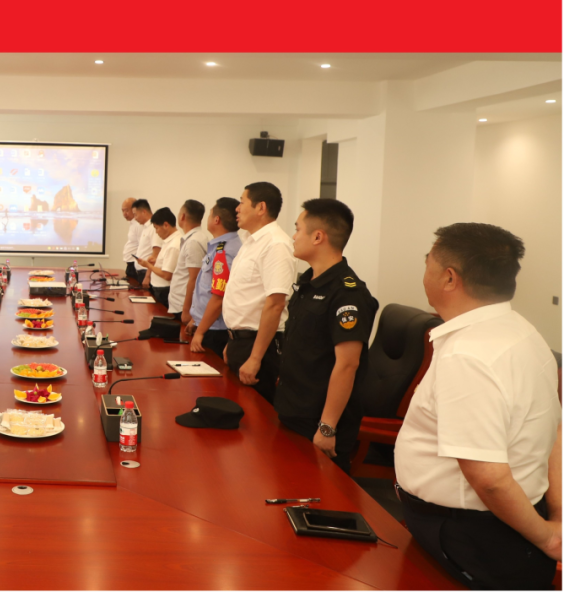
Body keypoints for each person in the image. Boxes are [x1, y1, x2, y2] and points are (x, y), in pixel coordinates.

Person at [395, 223, 561, 589]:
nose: (424, 270)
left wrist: (549, 537)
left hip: (473, 537)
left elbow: (490, 479)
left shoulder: (467, 355)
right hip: (508, 527)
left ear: (449, 278)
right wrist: (557, 514)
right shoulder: (525, 332)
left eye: (428, 261)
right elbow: (554, 430)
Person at [273, 199, 378, 474]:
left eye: (298, 229)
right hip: (292, 408)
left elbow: (348, 364)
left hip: (318, 420)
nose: (293, 236)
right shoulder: (308, 281)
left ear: (318, 236)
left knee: (321, 491)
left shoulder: (347, 293)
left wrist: (327, 427)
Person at [222, 181, 296, 404]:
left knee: (254, 416)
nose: (237, 208)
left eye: (242, 202)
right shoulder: (250, 242)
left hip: (260, 347)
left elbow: (275, 304)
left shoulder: (276, 245)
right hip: (241, 342)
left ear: (261, 207)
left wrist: (255, 358)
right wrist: (232, 340)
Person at [186, 198, 243, 355]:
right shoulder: (219, 246)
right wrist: (196, 319)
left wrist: (200, 331)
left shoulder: (224, 251)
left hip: (214, 330)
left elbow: (218, 298)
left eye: (210, 214)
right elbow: (205, 290)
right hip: (207, 324)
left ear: (216, 220)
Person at [166, 199, 210, 318]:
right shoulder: (193, 238)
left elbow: (194, 278)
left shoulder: (193, 242)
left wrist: (186, 310)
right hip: (179, 304)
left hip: (183, 306)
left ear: (182, 216)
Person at [134, 207, 181, 308]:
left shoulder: (173, 244)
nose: (156, 232)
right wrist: (156, 261)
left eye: (156, 228)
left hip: (164, 290)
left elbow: (167, 275)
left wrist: (148, 265)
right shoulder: (169, 240)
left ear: (166, 225)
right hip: (161, 289)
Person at [131, 199, 159, 285]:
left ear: (144, 212)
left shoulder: (154, 227)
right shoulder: (145, 228)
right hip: (141, 272)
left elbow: (155, 254)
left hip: (146, 272)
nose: (135, 218)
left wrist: (147, 276)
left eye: (135, 215)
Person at [121, 197, 144, 281]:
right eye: (122, 211)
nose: (124, 214)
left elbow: (141, 246)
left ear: (134, 209)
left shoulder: (138, 224)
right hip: (130, 264)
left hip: (135, 265)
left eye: (126, 210)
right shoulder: (132, 223)